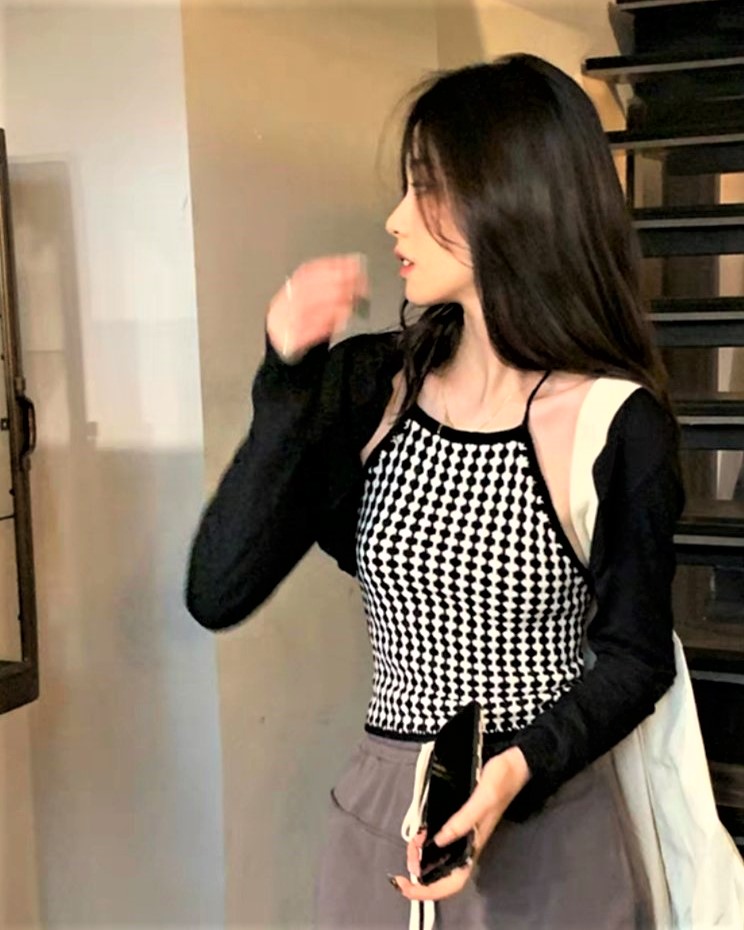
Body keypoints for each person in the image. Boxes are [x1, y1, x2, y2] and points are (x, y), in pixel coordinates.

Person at [186, 54, 686, 929]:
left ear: (511, 198)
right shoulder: (372, 388)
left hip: (545, 819)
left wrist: (518, 768)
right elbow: (217, 588)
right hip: (384, 819)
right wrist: (287, 379)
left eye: (427, 189)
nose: (395, 218)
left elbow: (635, 657)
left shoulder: (613, 423)